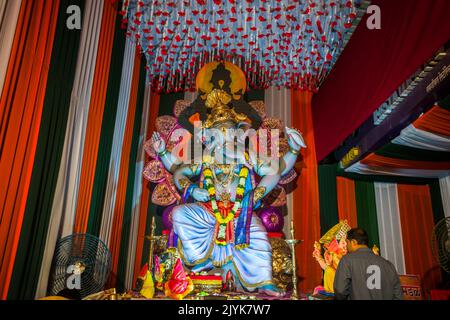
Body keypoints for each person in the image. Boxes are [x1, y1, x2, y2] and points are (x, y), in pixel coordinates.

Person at [334, 228, 403, 300]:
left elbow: (340, 291)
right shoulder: (388, 265)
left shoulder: (347, 261)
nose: (346, 247)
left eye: (347, 242)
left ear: (353, 242)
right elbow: (398, 295)